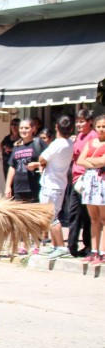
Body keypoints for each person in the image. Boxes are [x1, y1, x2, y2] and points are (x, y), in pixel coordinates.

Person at [35, 115, 74, 258]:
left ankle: (61, 247)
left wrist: (42, 163)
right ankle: (56, 245)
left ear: (57, 127)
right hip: (59, 184)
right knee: (52, 215)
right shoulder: (69, 143)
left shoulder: (57, 143)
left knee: (51, 216)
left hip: (51, 184)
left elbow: (42, 158)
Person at [65, 109, 96, 257]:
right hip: (75, 180)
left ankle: (89, 247)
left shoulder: (93, 136)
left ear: (90, 122)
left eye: (82, 121)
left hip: (87, 180)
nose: (79, 124)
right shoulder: (78, 137)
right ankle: (72, 246)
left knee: (87, 216)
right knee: (73, 214)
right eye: (77, 121)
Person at [76, 114, 105, 265]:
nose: (101, 129)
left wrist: (90, 161)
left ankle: (103, 251)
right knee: (93, 219)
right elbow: (80, 160)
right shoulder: (91, 141)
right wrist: (95, 162)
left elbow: (103, 161)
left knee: (104, 219)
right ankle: (94, 251)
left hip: (102, 182)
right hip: (90, 181)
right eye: (99, 126)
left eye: (104, 126)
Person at [4, 118, 45, 203]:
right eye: (21, 128)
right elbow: (12, 167)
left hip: (35, 187)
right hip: (18, 188)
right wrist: (8, 186)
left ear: (33, 129)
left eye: (26, 128)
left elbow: (49, 161)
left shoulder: (38, 143)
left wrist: (36, 164)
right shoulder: (17, 146)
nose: (23, 130)